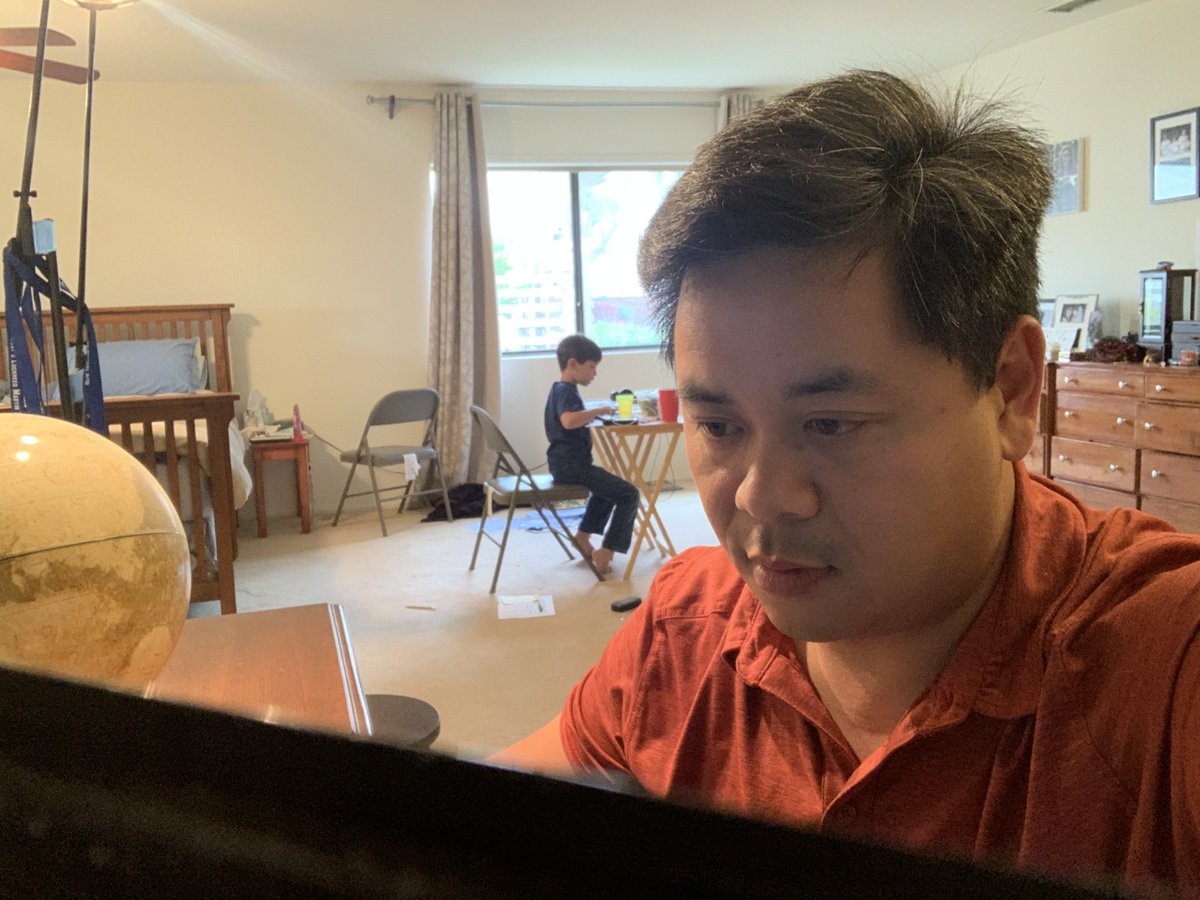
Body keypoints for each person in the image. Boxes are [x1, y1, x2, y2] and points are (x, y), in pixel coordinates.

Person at [494, 71, 1200, 893]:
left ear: (1011, 390)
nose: (760, 497)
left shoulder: (1161, 670)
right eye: (718, 425)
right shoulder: (683, 631)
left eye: (831, 424)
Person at [544, 334, 640, 575]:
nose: (594, 373)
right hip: (571, 466)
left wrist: (590, 415)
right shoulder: (566, 391)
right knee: (629, 494)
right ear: (573, 364)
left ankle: (583, 536)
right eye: (591, 367)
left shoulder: (561, 389)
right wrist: (597, 411)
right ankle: (607, 551)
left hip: (565, 464)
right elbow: (568, 421)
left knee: (606, 490)